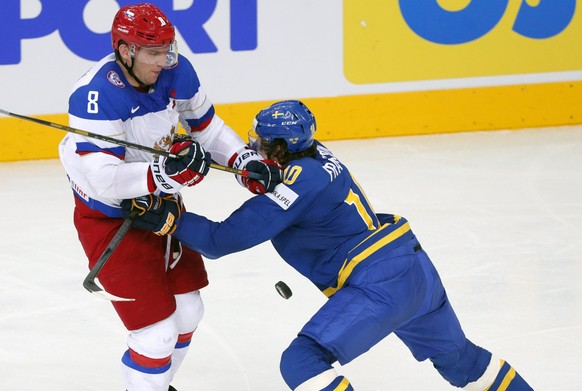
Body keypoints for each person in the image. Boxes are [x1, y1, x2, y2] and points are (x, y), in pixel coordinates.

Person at [121, 100, 535, 390]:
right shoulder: (316, 157)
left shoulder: (299, 185)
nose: (255, 149)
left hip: (378, 285)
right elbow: (288, 182)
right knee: (463, 362)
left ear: (281, 149)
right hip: (412, 269)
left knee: (300, 363)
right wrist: (259, 175)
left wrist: (171, 218)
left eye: (262, 145)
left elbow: (219, 240)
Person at [58, 3, 280, 391]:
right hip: (109, 219)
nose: (165, 60)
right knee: (155, 335)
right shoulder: (94, 95)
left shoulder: (177, 71)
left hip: (159, 204)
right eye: (154, 53)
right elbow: (103, 182)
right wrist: (164, 172)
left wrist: (242, 159)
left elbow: (206, 129)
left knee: (188, 310)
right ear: (125, 51)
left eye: (168, 49)